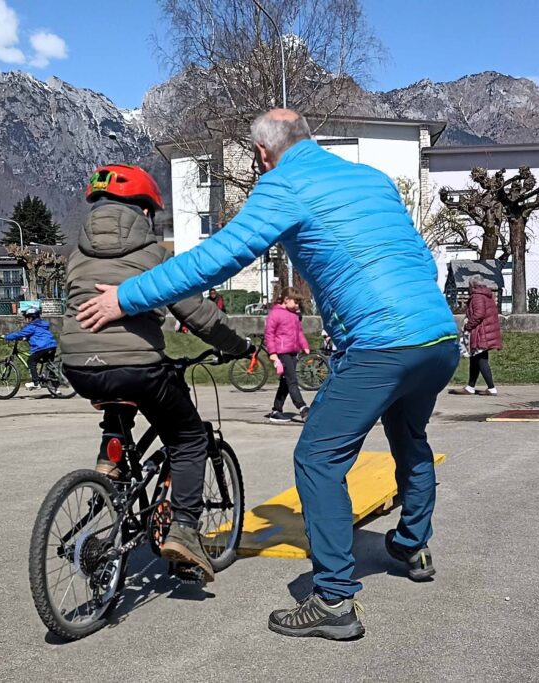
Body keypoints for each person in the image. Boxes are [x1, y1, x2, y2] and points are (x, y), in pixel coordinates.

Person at [75, 109, 459, 640]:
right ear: (307, 138)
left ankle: (333, 599)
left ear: (261, 152)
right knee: (409, 437)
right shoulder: (372, 179)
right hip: (438, 338)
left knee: (318, 458)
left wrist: (126, 297)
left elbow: (216, 259)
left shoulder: (284, 184)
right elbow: (417, 257)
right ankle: (413, 547)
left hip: (380, 344)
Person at [60, 163, 252, 583]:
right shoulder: (155, 256)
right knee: (188, 439)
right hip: (136, 367)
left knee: (118, 395)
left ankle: (108, 467)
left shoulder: (75, 255)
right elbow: (198, 315)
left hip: (77, 365)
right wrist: (240, 346)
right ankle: (184, 530)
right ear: (145, 211)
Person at [264, 287, 310, 423]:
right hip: (282, 352)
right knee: (292, 380)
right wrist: (272, 353)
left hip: (293, 351)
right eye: (295, 302)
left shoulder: (294, 316)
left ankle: (276, 411)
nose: (297, 305)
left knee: (285, 382)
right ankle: (302, 407)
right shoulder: (275, 314)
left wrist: (304, 345)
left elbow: (299, 332)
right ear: (286, 299)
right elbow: (269, 334)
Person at [2, 307, 59, 392]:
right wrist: (26, 338)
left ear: (31, 317)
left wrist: (6, 337)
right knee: (48, 366)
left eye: (27, 317)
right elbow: (38, 335)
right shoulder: (43, 325)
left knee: (31, 361)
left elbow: (19, 334)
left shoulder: (31, 326)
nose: (26, 320)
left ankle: (36, 383)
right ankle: (55, 388)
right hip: (52, 346)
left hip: (42, 347)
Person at [463, 276, 502, 395]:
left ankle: (491, 388)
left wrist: (468, 325)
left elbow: (479, 314)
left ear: (472, 286)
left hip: (481, 332)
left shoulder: (477, 297)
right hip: (485, 331)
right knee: (475, 358)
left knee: (481, 359)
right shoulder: (486, 295)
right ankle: (470, 387)